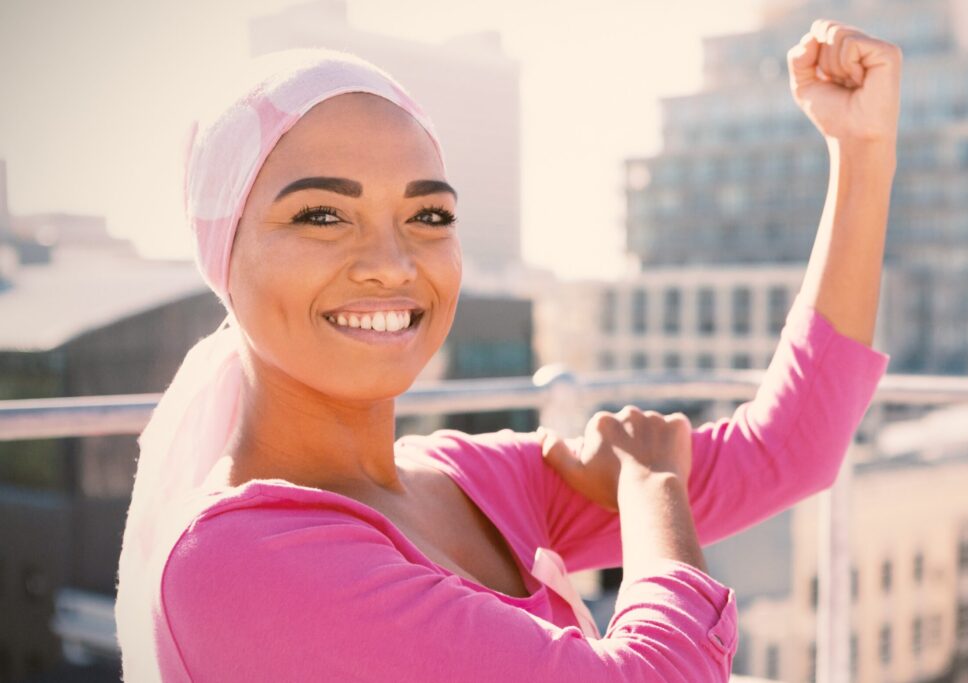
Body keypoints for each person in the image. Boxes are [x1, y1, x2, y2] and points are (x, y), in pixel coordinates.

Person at [114, 18, 899, 682]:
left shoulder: (469, 479)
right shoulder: (237, 560)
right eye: (322, 216)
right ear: (224, 255)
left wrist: (861, 152)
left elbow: (788, 449)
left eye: (428, 217)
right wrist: (653, 486)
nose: (393, 262)